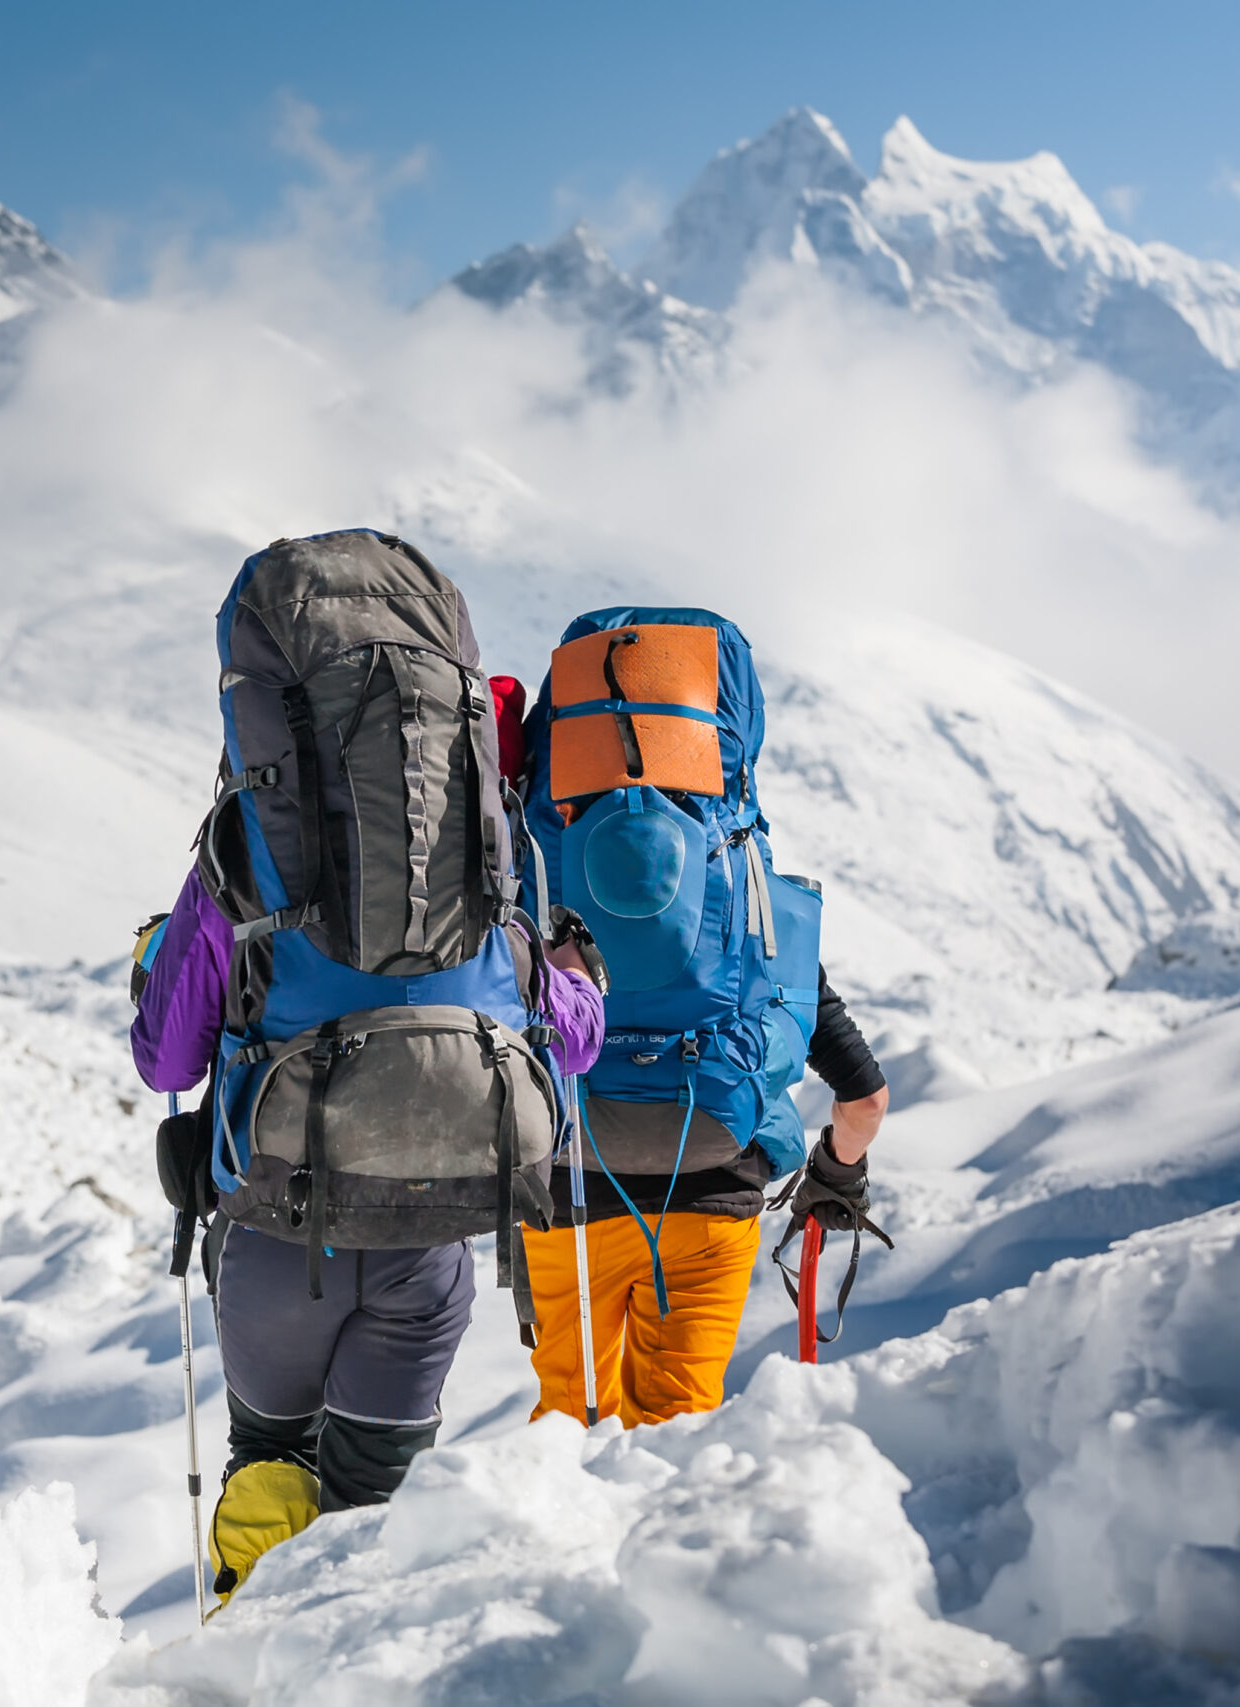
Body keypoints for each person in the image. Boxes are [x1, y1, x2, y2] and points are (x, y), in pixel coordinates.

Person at [132, 529, 606, 1604]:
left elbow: (164, 1058)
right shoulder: (486, 868)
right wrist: (577, 972)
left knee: (269, 1473)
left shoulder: (241, 855)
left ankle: (245, 1660)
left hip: (271, 1235)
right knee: (371, 1526)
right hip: (431, 1243)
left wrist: (170, 961)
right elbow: (570, 1042)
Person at [522, 971, 887, 1426]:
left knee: (567, 1418)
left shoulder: (541, 906)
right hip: (713, 1206)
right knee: (676, 1427)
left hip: (572, 1200)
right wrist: (838, 1174)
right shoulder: (763, 920)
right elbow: (866, 1102)